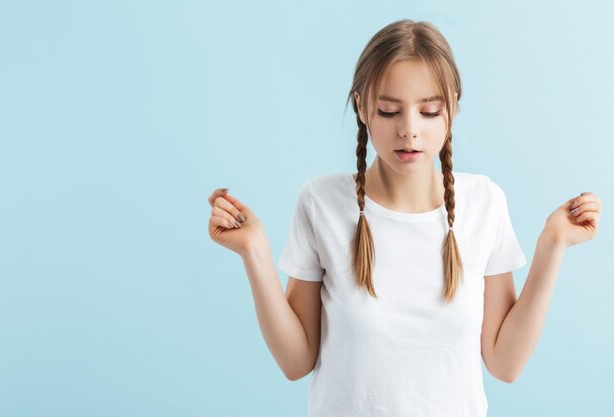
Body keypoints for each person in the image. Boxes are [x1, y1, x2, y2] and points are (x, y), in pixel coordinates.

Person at [207, 19, 602, 417]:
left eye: (429, 111)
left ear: (453, 105)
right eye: (389, 110)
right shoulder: (320, 203)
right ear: (362, 106)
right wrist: (253, 252)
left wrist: (554, 244)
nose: (409, 130)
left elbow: (505, 362)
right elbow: (296, 363)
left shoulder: (485, 202)